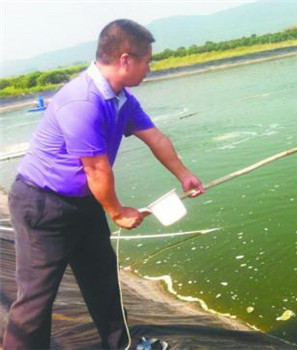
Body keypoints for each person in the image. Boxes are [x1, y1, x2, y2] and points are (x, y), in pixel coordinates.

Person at [2, 19, 204, 349]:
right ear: (125, 59)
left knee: (102, 280)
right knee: (36, 298)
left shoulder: (121, 97)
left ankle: (123, 345)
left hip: (84, 201)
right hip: (42, 205)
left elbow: (155, 137)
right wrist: (117, 211)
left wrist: (184, 174)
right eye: (147, 60)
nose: (149, 68)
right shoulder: (82, 101)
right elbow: (96, 169)